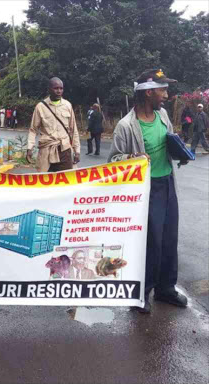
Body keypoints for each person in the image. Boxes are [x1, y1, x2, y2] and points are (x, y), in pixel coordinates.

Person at [108, 68, 189, 314]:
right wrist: (132, 157)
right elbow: (113, 161)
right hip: (145, 191)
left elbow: (167, 141)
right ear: (148, 92)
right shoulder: (126, 125)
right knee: (150, 242)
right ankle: (140, 293)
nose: (166, 94)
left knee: (168, 239)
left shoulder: (162, 115)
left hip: (166, 184)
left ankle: (165, 289)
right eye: (162, 89)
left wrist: (179, 151)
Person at [26, 77, 81, 171]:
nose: (59, 91)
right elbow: (33, 129)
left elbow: (73, 130)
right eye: (56, 88)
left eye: (61, 88)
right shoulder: (40, 107)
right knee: (45, 181)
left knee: (66, 181)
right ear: (49, 89)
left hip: (65, 150)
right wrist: (29, 148)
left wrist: (77, 151)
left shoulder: (67, 105)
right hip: (46, 150)